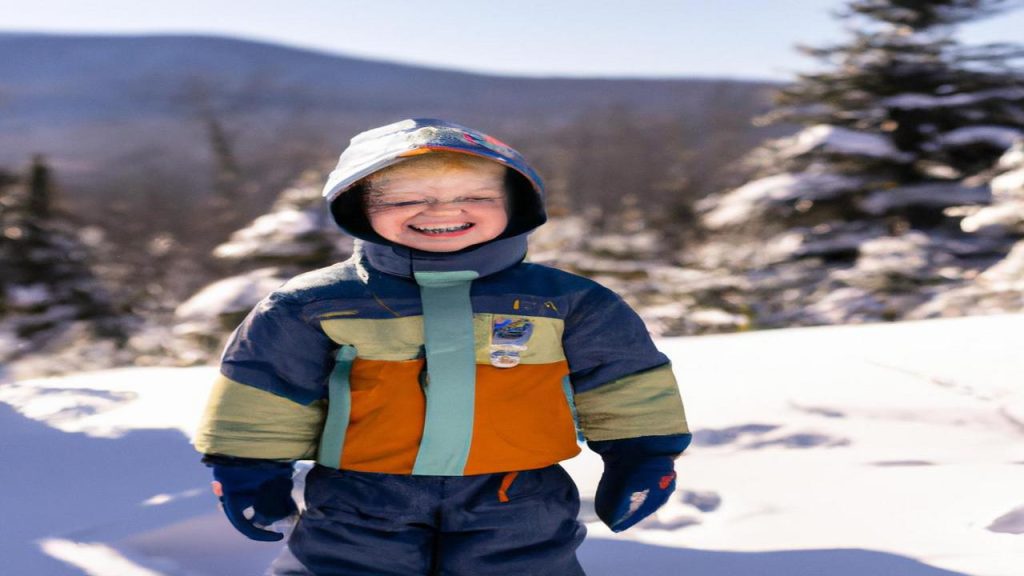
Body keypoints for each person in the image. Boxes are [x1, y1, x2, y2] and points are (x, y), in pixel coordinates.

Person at [194, 118, 690, 576]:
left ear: (513, 206)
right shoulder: (315, 304)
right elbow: (266, 386)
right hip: (363, 496)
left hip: (516, 494)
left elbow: (623, 381)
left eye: (475, 195)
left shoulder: (567, 302)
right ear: (360, 208)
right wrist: (248, 467)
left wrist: (642, 456)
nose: (443, 211)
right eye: (404, 199)